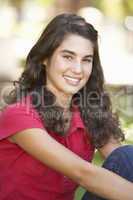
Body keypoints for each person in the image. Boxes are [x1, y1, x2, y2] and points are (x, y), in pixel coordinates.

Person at [0, 13, 133, 200]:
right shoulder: (19, 115)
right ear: (44, 59)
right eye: (68, 57)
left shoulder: (87, 111)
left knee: (126, 155)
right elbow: (83, 174)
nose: (78, 69)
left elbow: (124, 163)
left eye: (86, 60)